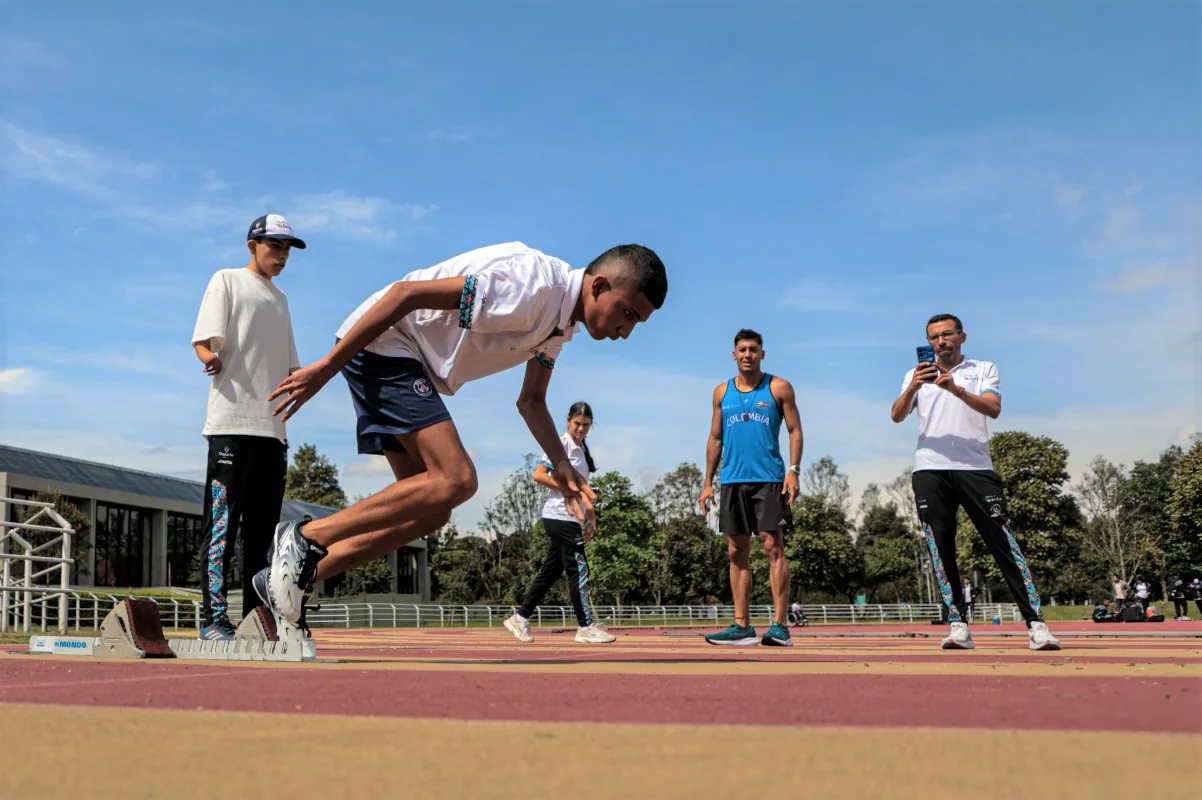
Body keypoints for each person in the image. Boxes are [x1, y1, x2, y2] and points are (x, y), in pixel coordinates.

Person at [253, 241, 668, 625]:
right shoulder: (534, 289)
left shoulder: (561, 326)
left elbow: (532, 401)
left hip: (407, 360)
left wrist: (561, 463)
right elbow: (403, 295)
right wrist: (326, 367)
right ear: (599, 285)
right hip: (386, 343)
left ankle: (286, 581)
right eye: (627, 313)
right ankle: (305, 537)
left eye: (638, 323)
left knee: (432, 510)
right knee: (458, 478)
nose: (626, 331)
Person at [890, 313, 1061, 651]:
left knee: (1003, 543)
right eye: (934, 337)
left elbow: (993, 408)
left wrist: (955, 388)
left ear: (962, 337)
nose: (941, 341)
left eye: (947, 334)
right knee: (940, 548)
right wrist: (914, 386)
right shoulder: (914, 374)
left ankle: (1036, 625)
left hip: (975, 468)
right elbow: (897, 415)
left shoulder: (983, 369)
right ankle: (958, 626)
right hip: (929, 468)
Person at [189, 214, 305, 640]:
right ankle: (214, 620)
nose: (282, 255)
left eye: (287, 248)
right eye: (274, 246)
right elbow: (203, 339)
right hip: (231, 425)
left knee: (262, 538)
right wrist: (209, 357)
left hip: (272, 433)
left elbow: (292, 367)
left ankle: (257, 621)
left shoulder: (282, 300)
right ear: (252, 245)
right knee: (222, 527)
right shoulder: (227, 280)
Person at [698, 329, 803, 647]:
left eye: (753, 349)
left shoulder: (778, 387)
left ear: (762, 354)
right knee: (735, 550)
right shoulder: (721, 392)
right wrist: (707, 482)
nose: (747, 354)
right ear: (734, 354)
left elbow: (795, 429)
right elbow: (715, 437)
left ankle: (780, 626)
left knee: (773, 546)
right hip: (731, 480)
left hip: (769, 479)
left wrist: (794, 470)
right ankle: (741, 625)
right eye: (742, 349)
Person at [504, 402, 614, 644]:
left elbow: (580, 487)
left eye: (586, 425)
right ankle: (586, 626)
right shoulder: (562, 444)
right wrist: (566, 489)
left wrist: (590, 513)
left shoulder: (581, 447)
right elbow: (539, 474)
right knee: (579, 570)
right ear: (568, 421)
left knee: (551, 572)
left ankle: (520, 618)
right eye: (577, 424)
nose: (581, 429)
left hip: (570, 517)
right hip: (559, 517)